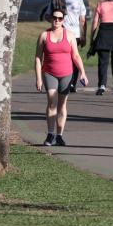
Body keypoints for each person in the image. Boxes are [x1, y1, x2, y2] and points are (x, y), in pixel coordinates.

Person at [35, 8, 89, 146]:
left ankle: (59, 135)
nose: (57, 20)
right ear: (50, 19)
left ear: (63, 20)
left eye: (60, 18)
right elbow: (38, 58)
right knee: (52, 102)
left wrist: (82, 72)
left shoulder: (69, 35)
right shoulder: (44, 36)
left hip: (67, 74)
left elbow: (75, 55)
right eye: (54, 18)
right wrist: (38, 78)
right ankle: (50, 134)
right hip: (49, 73)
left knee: (62, 104)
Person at [47, 0, 88, 92]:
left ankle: (61, 82)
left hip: (61, 32)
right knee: (74, 57)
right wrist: (84, 35)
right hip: (75, 34)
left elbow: (48, 15)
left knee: (63, 57)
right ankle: (72, 84)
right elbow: (83, 20)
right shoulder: (79, 0)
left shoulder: (56, 0)